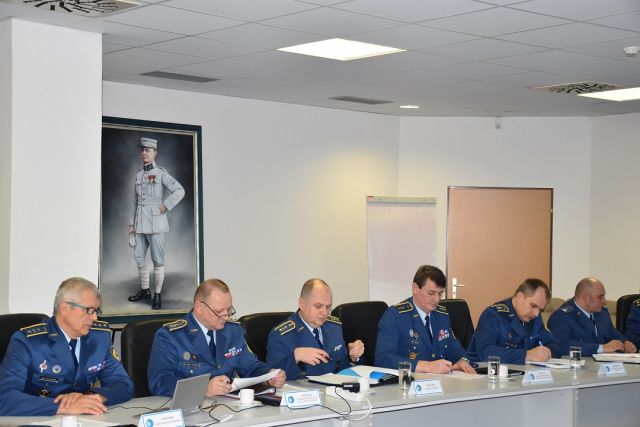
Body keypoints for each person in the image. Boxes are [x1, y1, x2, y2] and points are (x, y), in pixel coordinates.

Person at [0, 277, 133, 416]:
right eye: (89, 310)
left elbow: (123, 384)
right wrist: (62, 407)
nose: (94, 318)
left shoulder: (99, 337)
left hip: (85, 420)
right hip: (38, 419)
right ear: (65, 308)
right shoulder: (28, 342)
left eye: (96, 311)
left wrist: (92, 398)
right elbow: (4, 398)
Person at [148, 279, 286, 397]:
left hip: (228, 406)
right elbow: (159, 381)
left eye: (229, 310)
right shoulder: (171, 336)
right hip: (189, 408)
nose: (226, 317)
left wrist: (268, 376)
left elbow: (250, 366)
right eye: (219, 312)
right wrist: (202, 389)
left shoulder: (233, 331)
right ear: (199, 307)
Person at [375, 265, 475, 374]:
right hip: (408, 380)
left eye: (440, 294)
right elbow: (383, 359)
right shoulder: (395, 316)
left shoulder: (441, 315)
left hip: (440, 380)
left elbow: (452, 347)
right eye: (431, 293)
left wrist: (462, 360)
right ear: (415, 288)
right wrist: (426, 366)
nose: (436, 300)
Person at [266, 279, 365, 380]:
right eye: (318, 306)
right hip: (304, 390)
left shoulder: (334, 327)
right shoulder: (282, 335)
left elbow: (343, 369)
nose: (324, 312)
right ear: (302, 304)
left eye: (328, 307)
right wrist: (295, 357)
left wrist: (354, 357)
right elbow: (272, 377)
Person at [127, 137, 185, 310]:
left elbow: (179, 190)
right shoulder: (138, 175)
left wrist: (166, 205)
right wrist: (131, 224)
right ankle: (145, 290)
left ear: (155, 153)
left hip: (156, 223)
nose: (144, 153)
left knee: (158, 260)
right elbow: (134, 202)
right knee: (139, 257)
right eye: (142, 150)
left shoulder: (161, 173)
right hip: (140, 223)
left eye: (148, 150)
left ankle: (157, 294)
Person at [467, 278, 561, 364]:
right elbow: (486, 352)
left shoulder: (534, 318)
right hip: (481, 372)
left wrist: (545, 352)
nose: (536, 313)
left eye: (540, 310)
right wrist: (527, 355)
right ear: (520, 297)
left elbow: (554, 345)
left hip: (518, 372)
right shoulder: (493, 315)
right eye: (533, 306)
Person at [547, 278, 636, 356]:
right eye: (600, 297)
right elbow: (563, 345)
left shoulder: (602, 313)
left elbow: (614, 335)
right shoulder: (561, 317)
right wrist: (602, 348)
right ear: (585, 298)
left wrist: (626, 343)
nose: (604, 301)